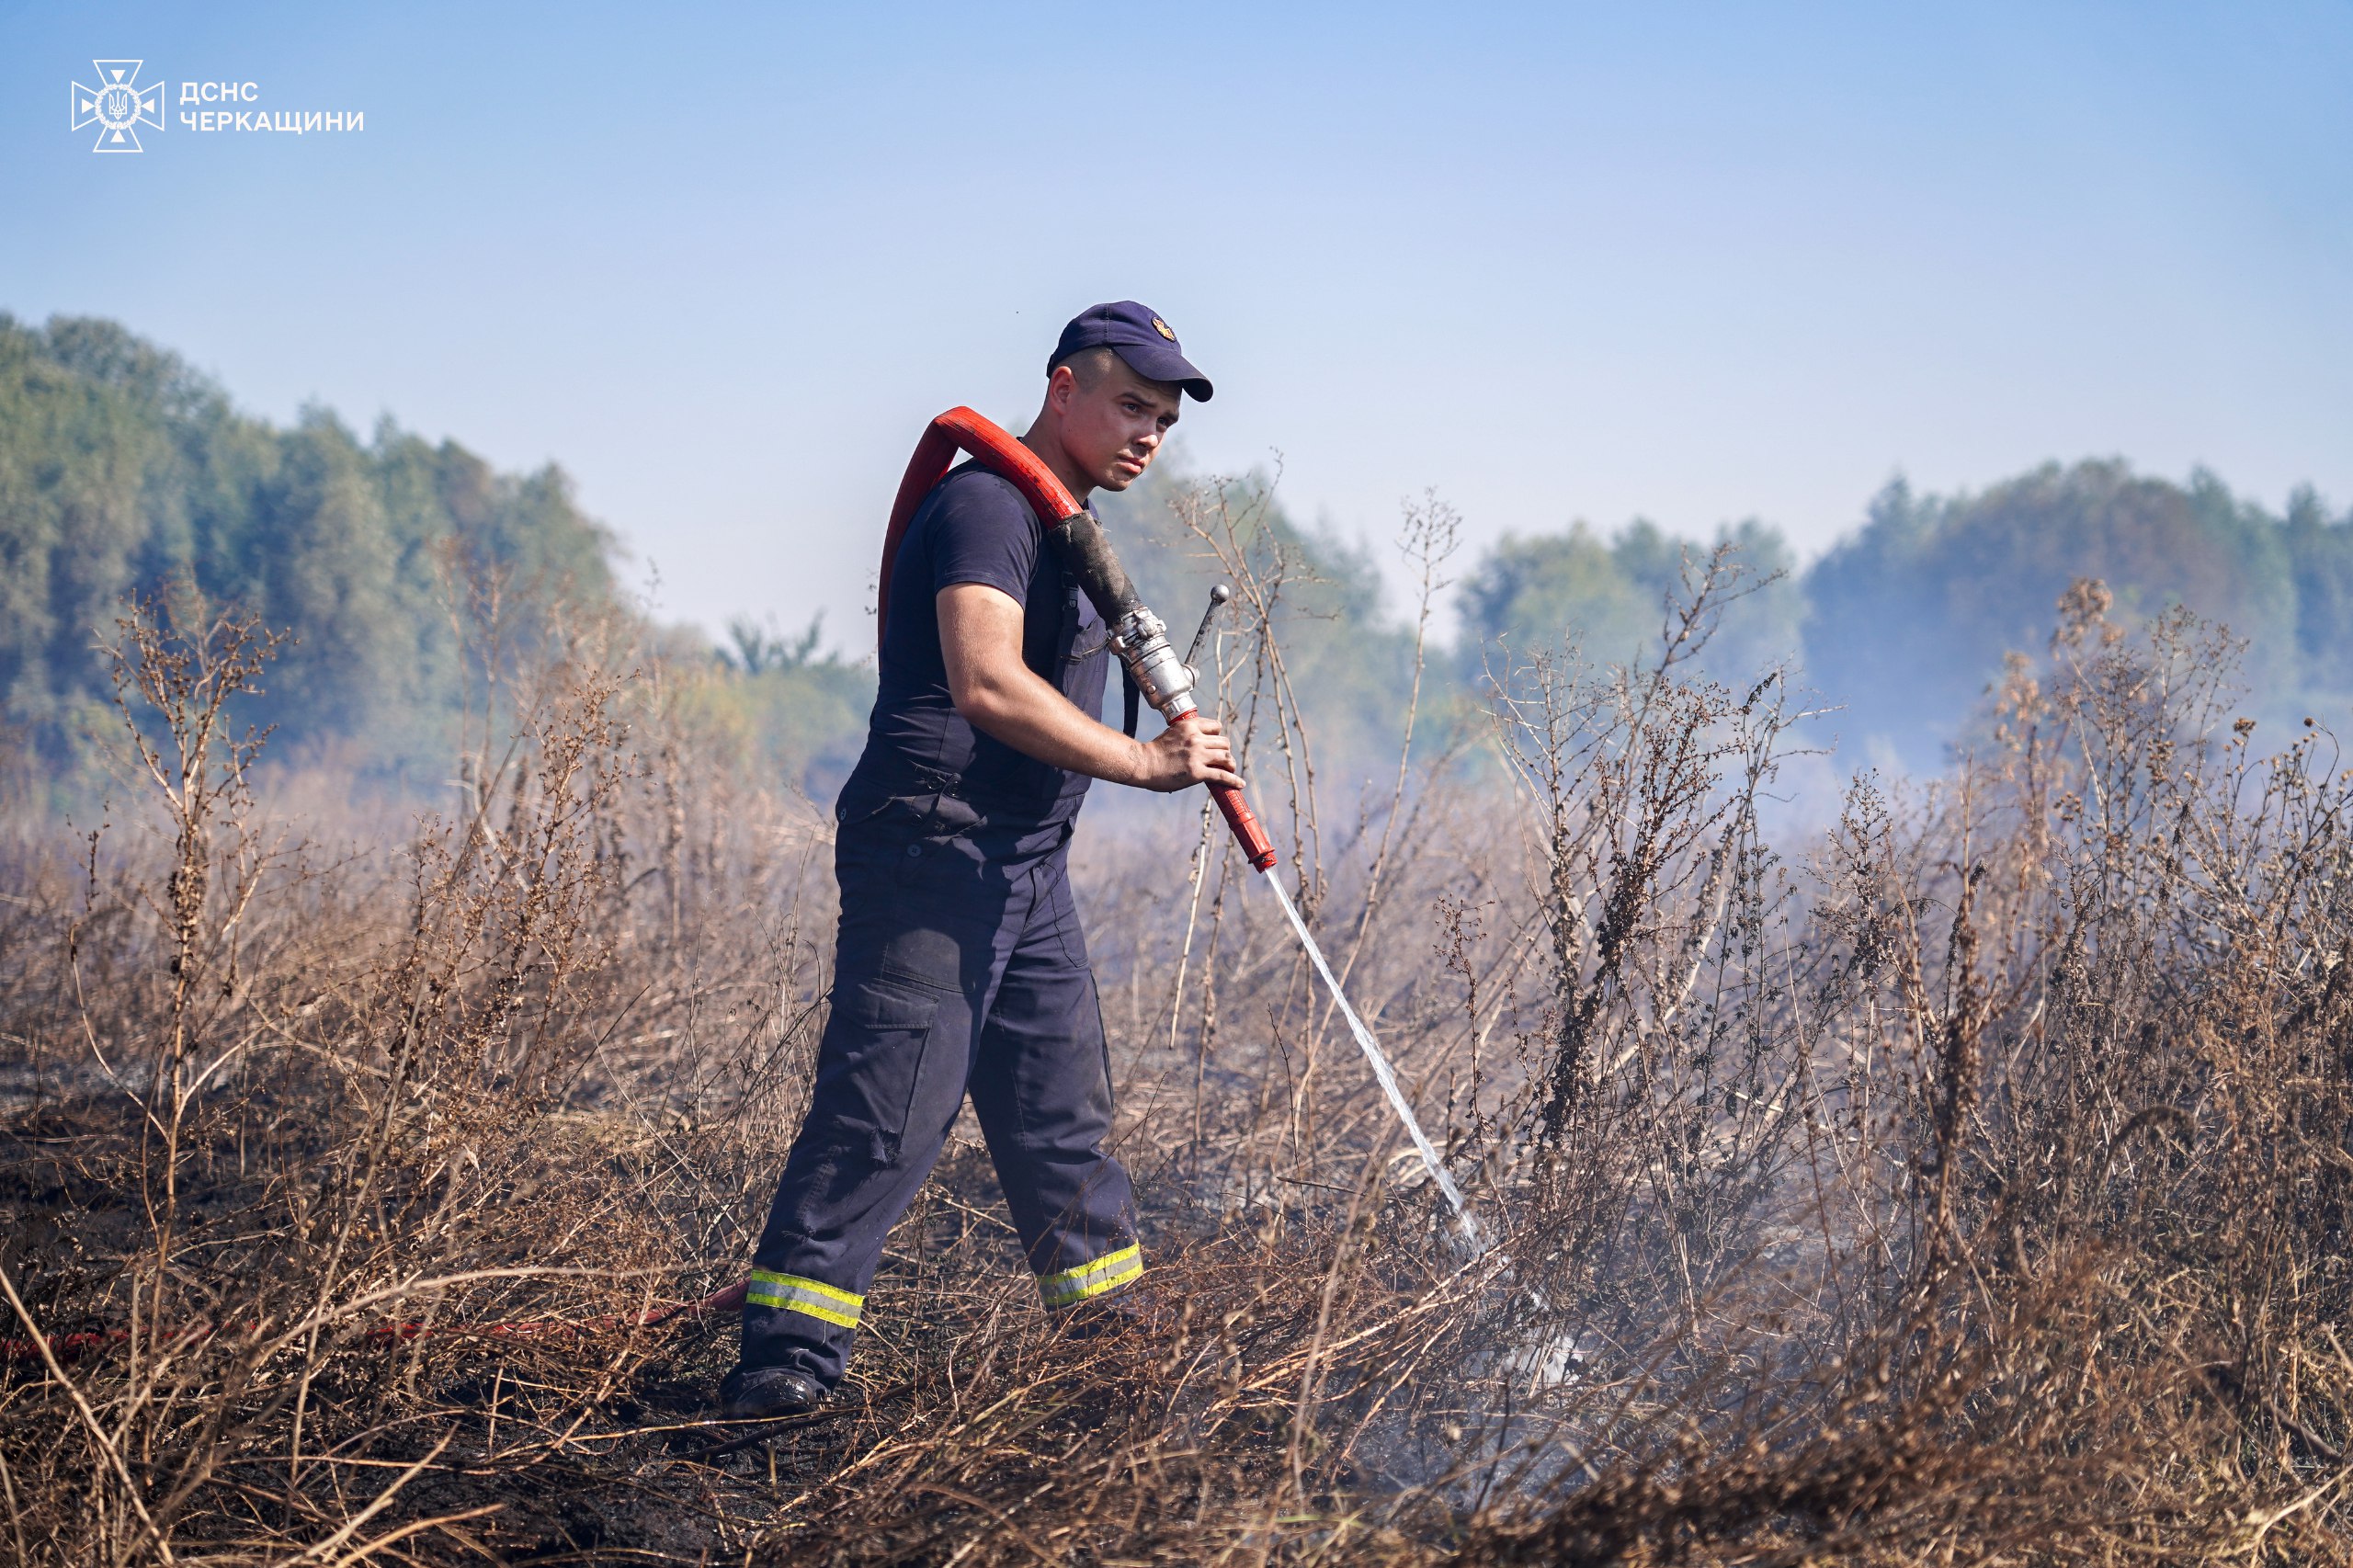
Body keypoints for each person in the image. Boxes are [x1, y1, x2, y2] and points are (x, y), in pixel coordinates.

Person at [720, 302, 1239, 1419]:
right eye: (1129, 405)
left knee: (1062, 1120)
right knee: (888, 1110)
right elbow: (986, 682)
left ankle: (1114, 1363)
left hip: (1025, 867)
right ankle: (785, 1368)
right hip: (933, 850)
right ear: (1063, 390)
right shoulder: (986, 507)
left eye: (1163, 419)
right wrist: (1148, 768)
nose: (1148, 434)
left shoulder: (1067, 526)